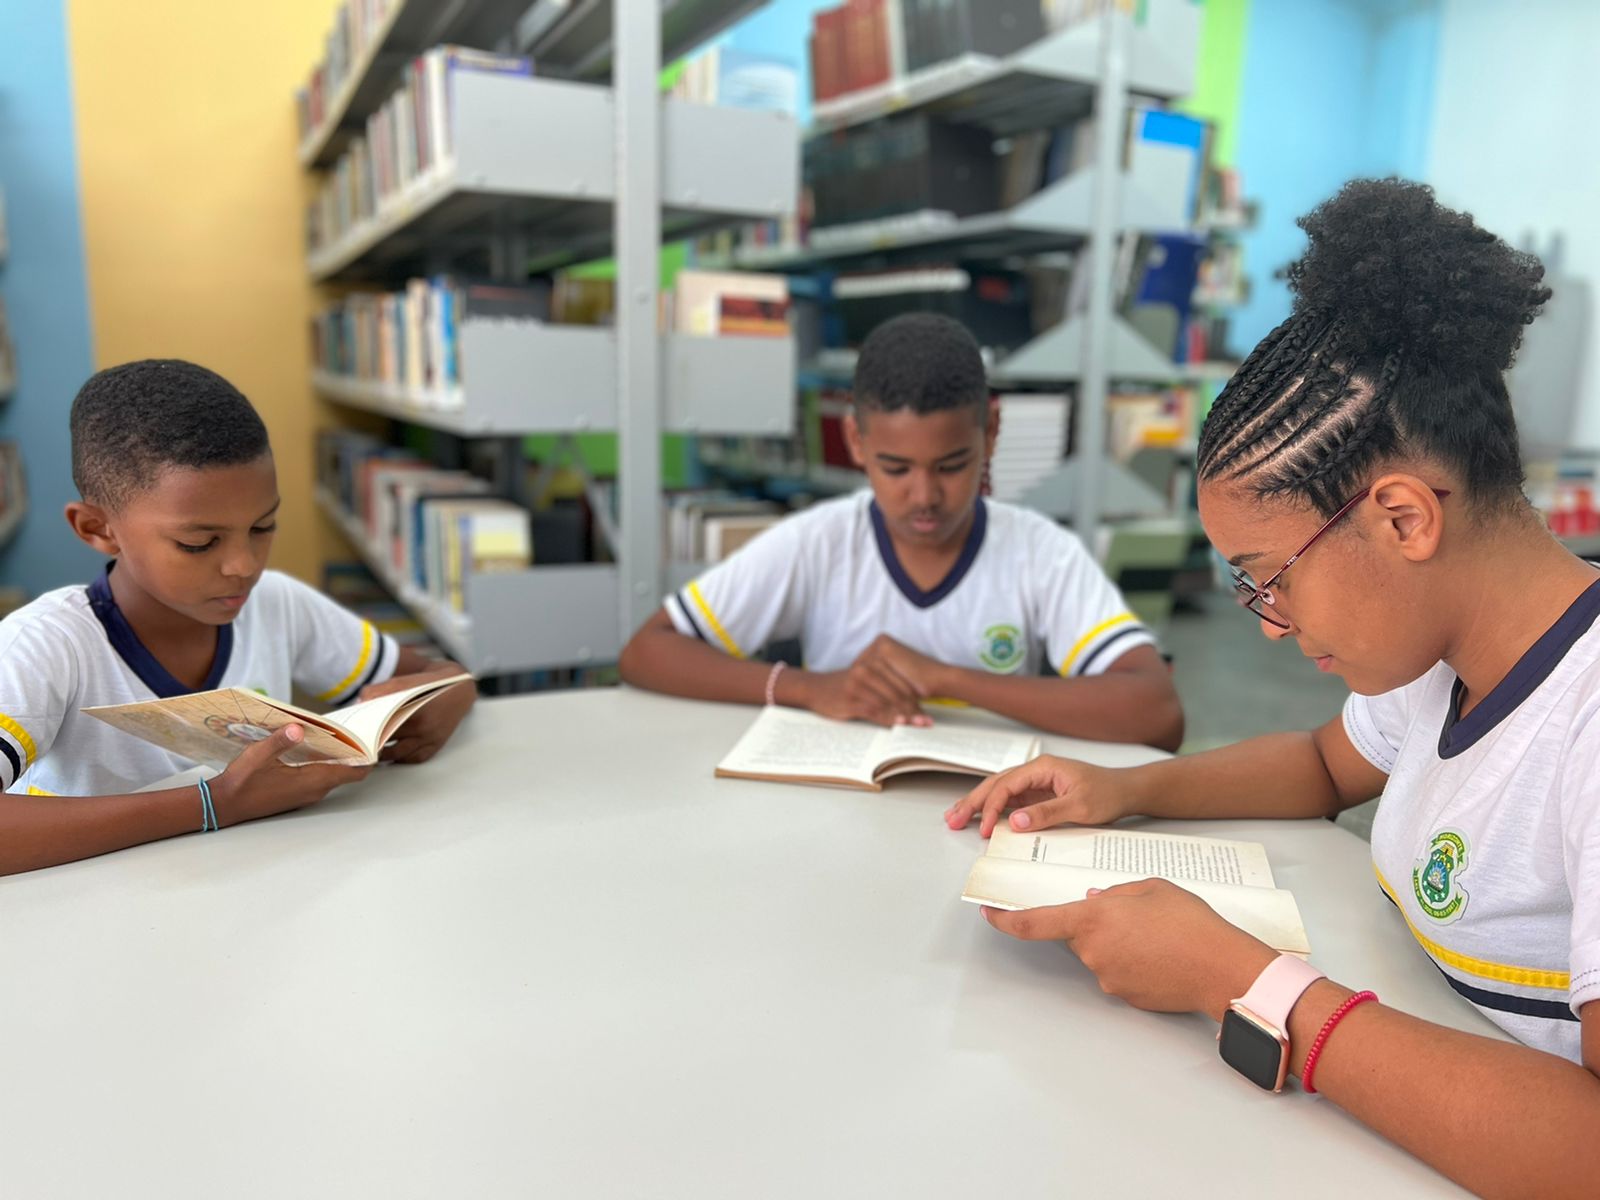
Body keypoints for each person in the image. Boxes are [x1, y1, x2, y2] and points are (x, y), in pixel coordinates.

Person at [946, 179, 1600, 1195]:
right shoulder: (1444, 655)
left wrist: (1243, 983)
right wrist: (1124, 788)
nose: (1265, 620)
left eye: (1271, 575)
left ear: (1402, 519)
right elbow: (1319, 767)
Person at [619, 313, 1183, 748]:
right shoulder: (818, 542)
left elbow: (1158, 713)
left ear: (991, 430)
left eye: (952, 465)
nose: (924, 496)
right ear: (855, 441)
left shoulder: (1041, 553)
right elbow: (647, 651)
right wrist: (810, 688)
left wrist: (946, 679)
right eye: (895, 469)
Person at [0, 359, 475, 875]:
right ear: (98, 529)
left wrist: (449, 690)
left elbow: (433, 674)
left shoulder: (277, 603)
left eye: (262, 527)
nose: (243, 566)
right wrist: (216, 803)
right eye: (199, 543)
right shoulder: (45, 646)